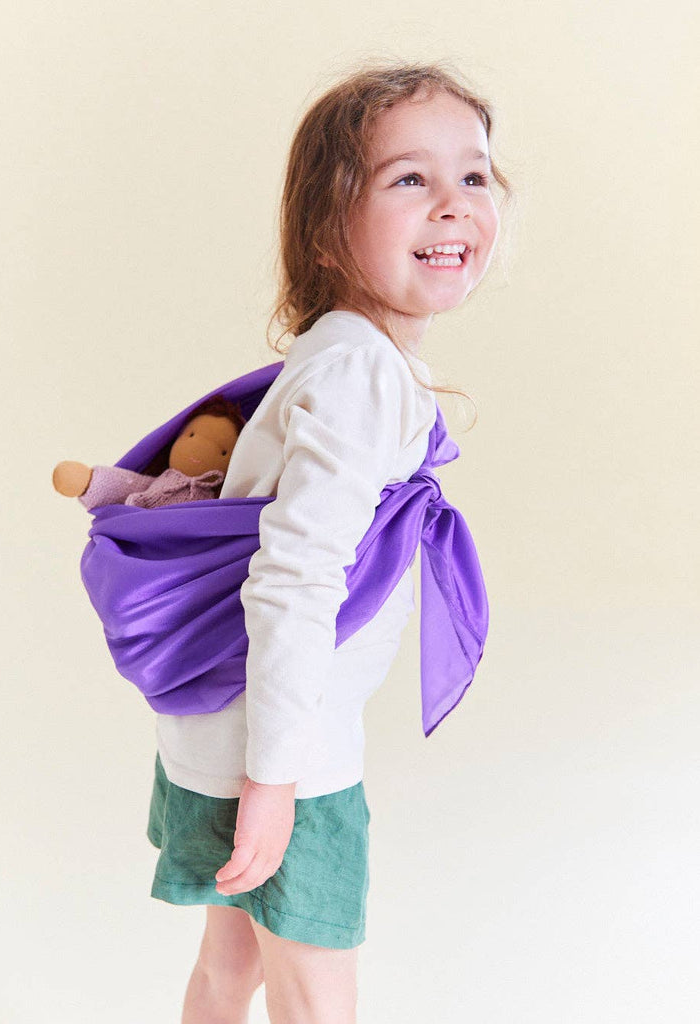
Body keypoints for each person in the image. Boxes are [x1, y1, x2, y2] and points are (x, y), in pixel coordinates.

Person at [147, 60, 513, 1024]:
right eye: (409, 179)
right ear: (327, 224)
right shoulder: (358, 375)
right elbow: (295, 582)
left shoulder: (345, 353)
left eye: (473, 177)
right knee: (317, 999)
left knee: (231, 970)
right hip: (286, 752)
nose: (452, 205)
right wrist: (275, 784)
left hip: (243, 732)